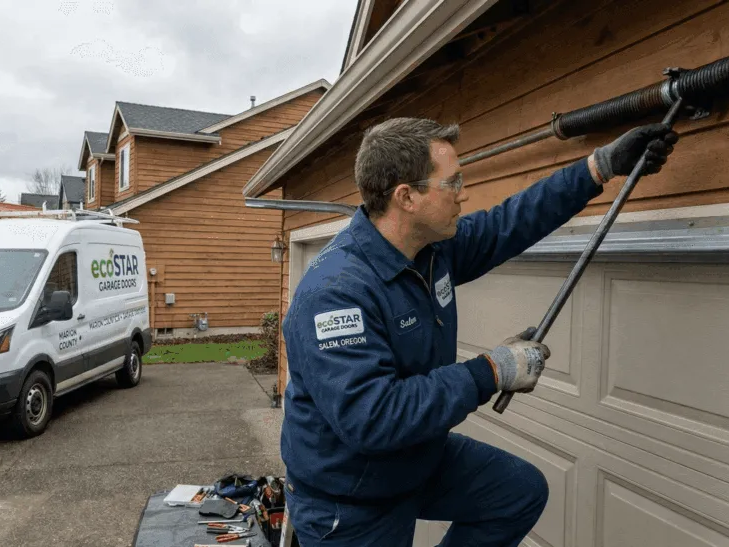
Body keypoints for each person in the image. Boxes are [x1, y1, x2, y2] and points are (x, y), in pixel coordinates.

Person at [280, 117, 678, 546]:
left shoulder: (429, 250)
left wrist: (598, 167)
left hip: (414, 462)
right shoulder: (336, 292)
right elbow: (374, 418)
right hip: (350, 498)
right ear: (406, 196)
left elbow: (509, 222)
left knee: (517, 492)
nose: (462, 193)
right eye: (451, 182)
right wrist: (491, 370)